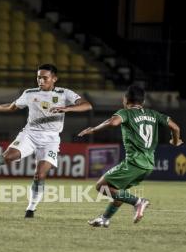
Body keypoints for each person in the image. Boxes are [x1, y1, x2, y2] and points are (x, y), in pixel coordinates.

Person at [0, 64, 93, 218]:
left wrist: (68, 108)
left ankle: (30, 209)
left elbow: (87, 105)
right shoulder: (30, 93)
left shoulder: (64, 93)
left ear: (54, 78)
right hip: (30, 134)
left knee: (40, 175)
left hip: (51, 139)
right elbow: (11, 107)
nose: (41, 80)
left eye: (45, 77)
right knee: (7, 156)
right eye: (39, 77)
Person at [78, 85, 183, 227]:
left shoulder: (126, 113)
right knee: (118, 192)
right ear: (143, 101)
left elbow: (113, 122)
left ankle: (138, 202)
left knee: (101, 186)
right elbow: (175, 127)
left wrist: (93, 129)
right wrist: (175, 142)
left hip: (134, 163)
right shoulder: (154, 114)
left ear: (125, 100)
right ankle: (104, 219)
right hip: (148, 165)